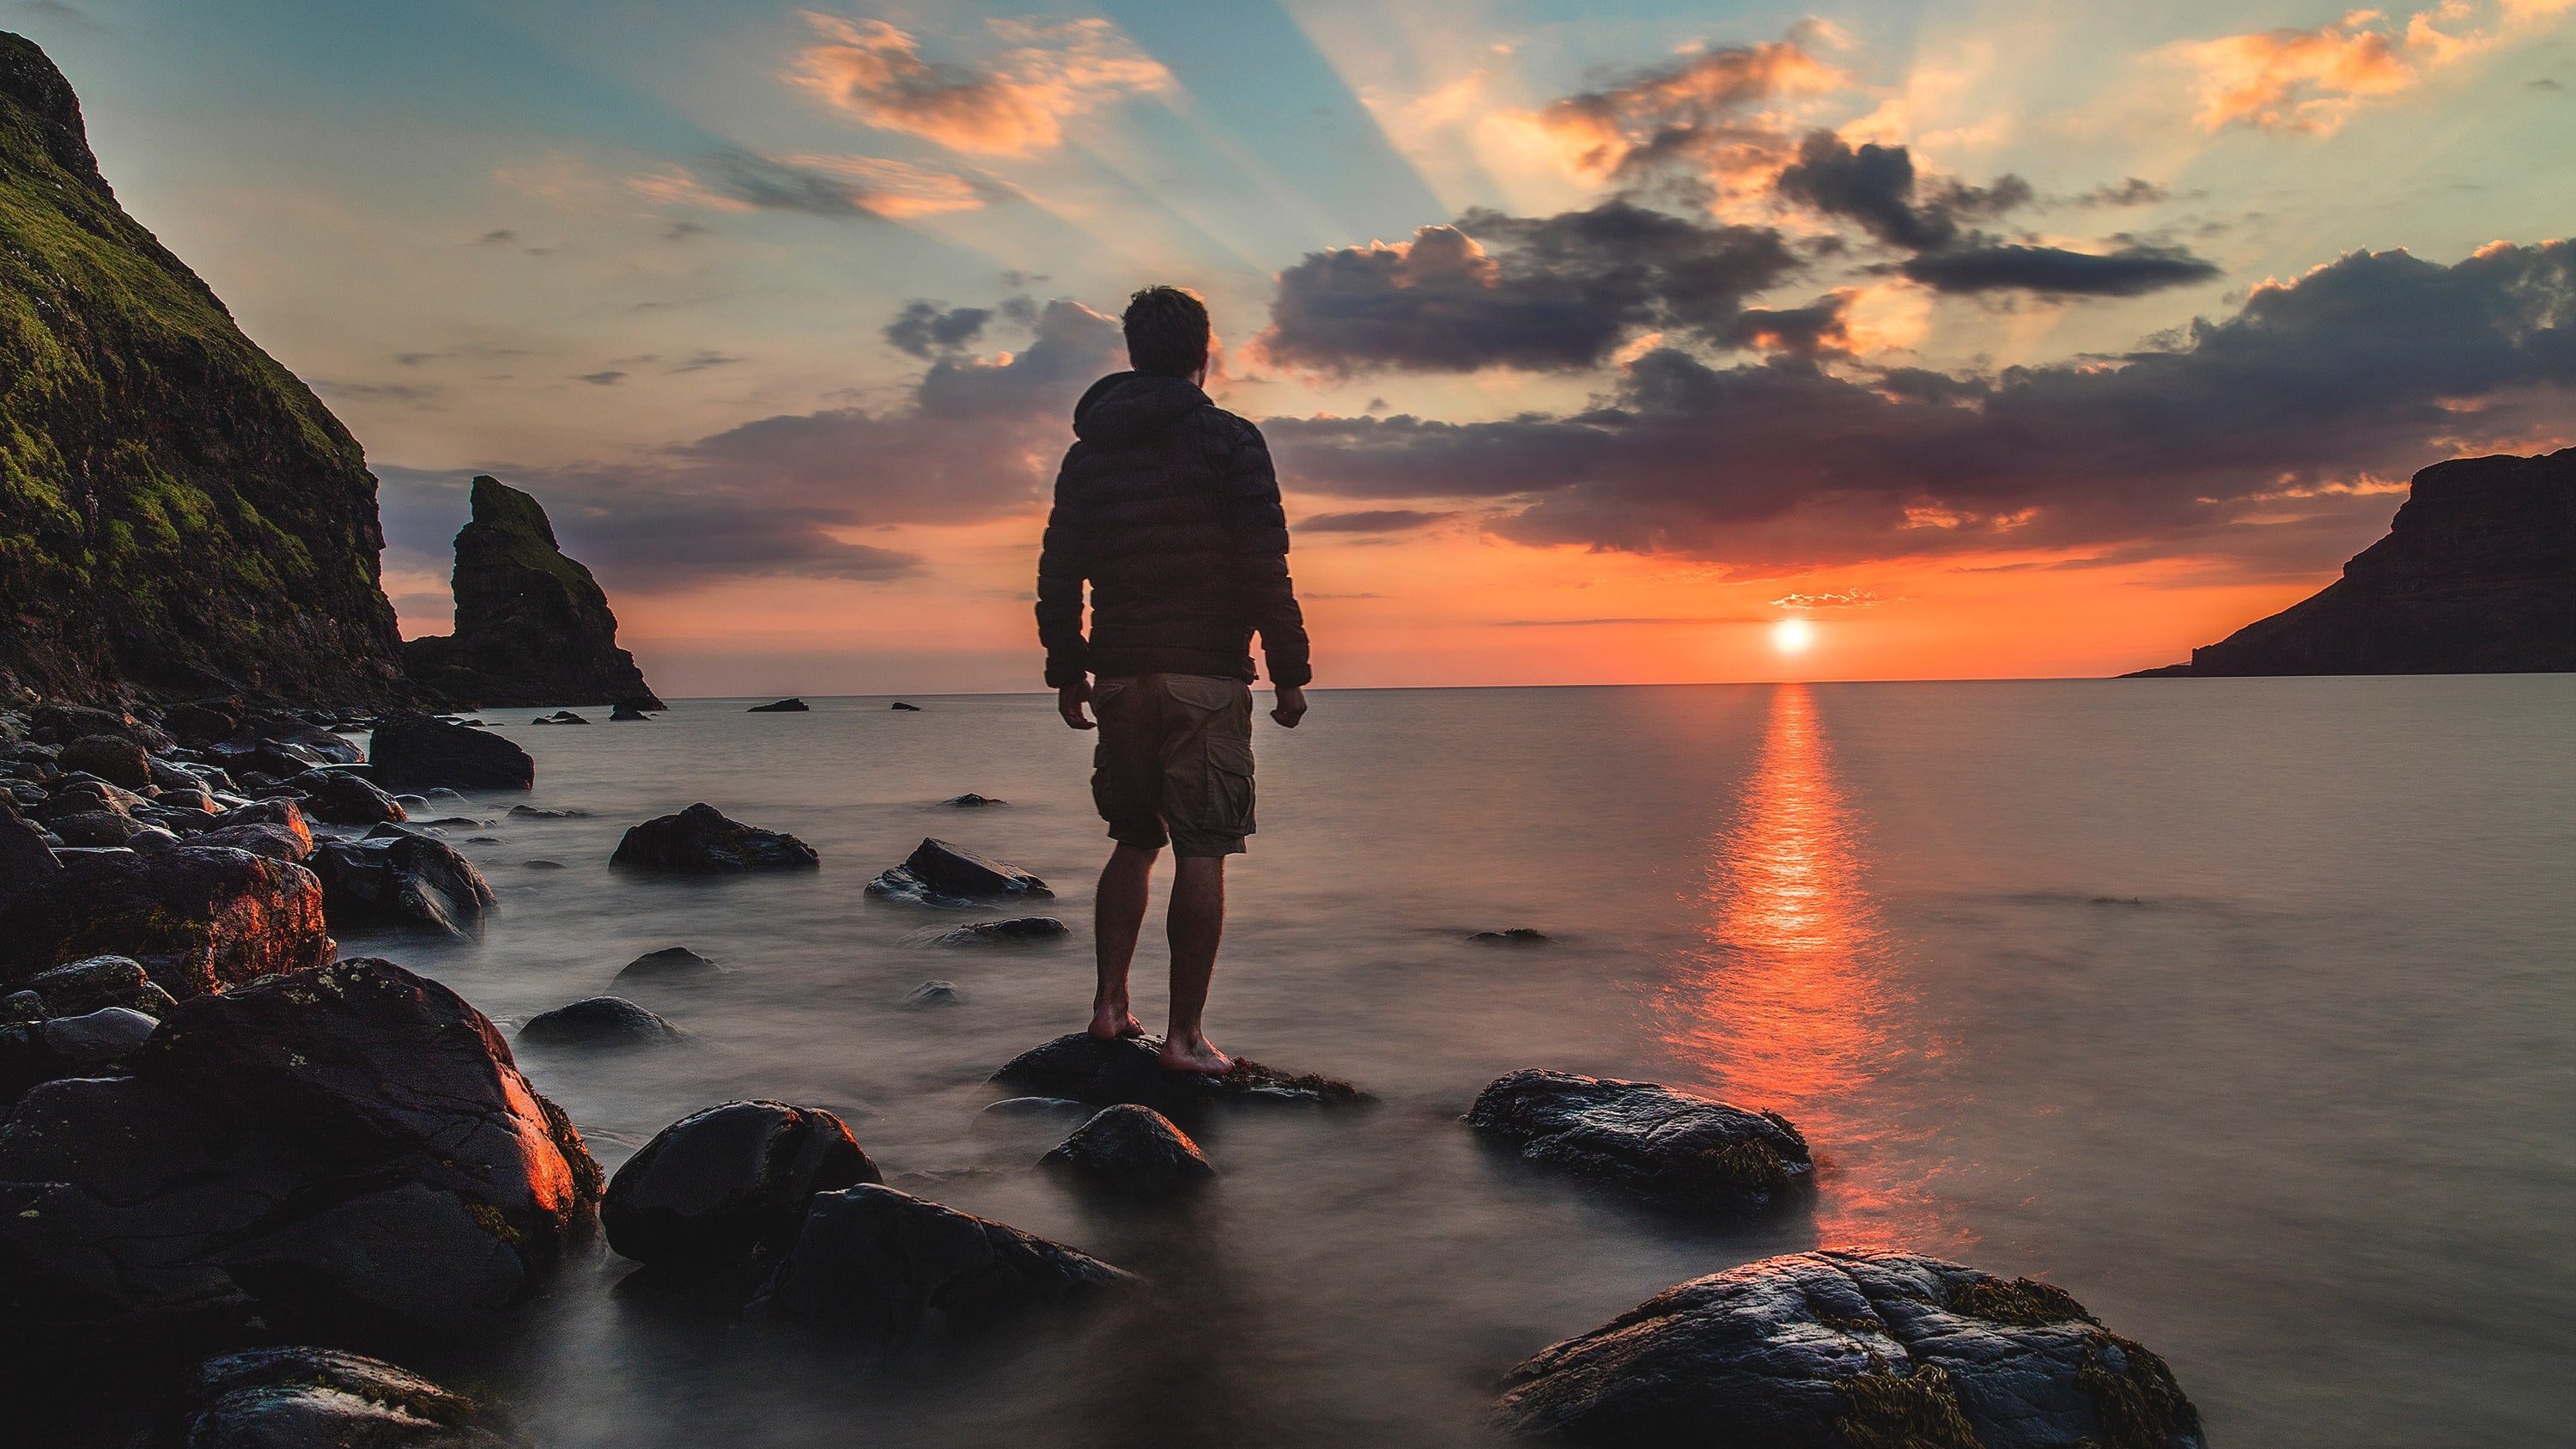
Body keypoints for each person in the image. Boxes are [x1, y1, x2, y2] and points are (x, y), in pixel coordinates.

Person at [1035, 285, 1311, 1075]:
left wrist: (1068, 667)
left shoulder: (1090, 453)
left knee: (1132, 839)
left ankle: (1109, 1008)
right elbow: (1265, 561)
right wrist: (1289, 673)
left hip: (1120, 674)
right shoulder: (1231, 440)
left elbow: (1059, 571)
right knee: (1202, 848)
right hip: (1205, 674)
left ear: (1132, 353)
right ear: (1203, 352)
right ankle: (1185, 1039)